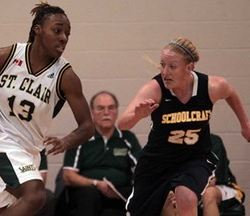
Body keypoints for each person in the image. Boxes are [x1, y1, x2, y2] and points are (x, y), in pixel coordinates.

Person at [0, 2, 94, 216]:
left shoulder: (66, 76)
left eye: (67, 33)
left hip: (29, 152)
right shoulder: (6, 56)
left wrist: (66, 141)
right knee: (35, 195)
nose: (63, 37)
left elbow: (87, 127)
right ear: (38, 29)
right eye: (57, 31)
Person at [117, 37, 250, 216]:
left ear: (189, 67)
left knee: (186, 197)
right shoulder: (155, 89)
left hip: (195, 157)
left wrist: (245, 124)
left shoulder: (210, 87)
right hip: (157, 161)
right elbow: (123, 123)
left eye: (172, 66)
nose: (165, 72)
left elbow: (231, 93)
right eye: (162, 65)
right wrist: (137, 115)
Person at [61, 91, 142, 216]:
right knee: (90, 195)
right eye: (100, 108)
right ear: (92, 112)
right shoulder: (81, 137)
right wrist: (96, 184)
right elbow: (68, 176)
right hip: (89, 192)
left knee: (140, 193)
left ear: (116, 112)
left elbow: (141, 170)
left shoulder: (127, 138)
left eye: (111, 108)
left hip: (119, 193)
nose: (106, 113)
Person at [0, 148, 56, 216]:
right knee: (34, 195)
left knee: (41, 195)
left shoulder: (36, 141)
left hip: (20, 186)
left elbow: (41, 178)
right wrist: (10, 182)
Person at [199, 133, 245, 216]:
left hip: (219, 186)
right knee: (172, 195)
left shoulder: (213, 141)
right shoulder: (173, 144)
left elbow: (211, 181)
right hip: (189, 186)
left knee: (209, 193)